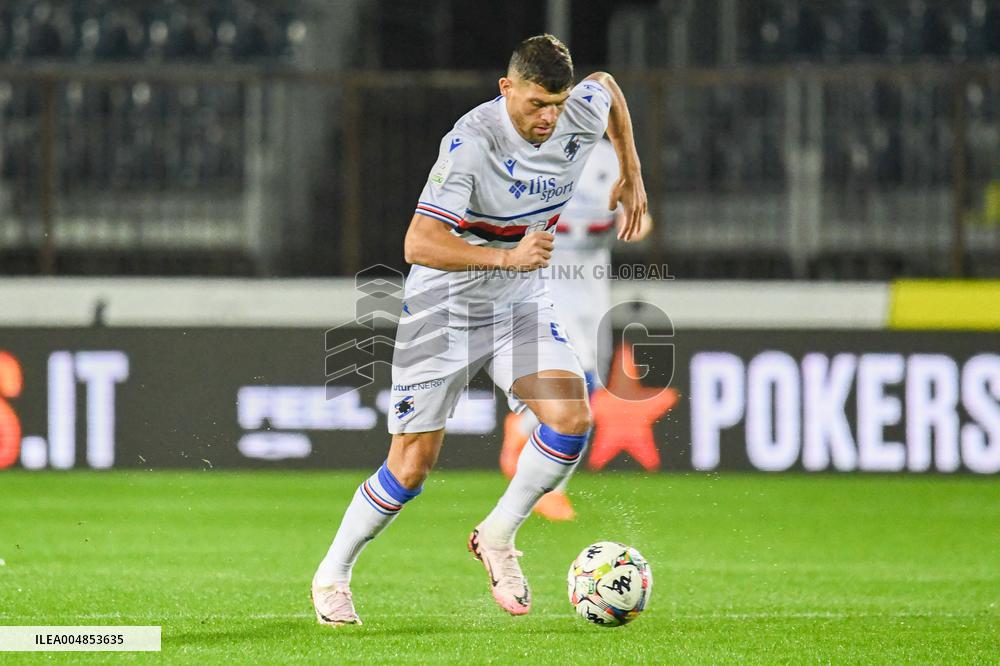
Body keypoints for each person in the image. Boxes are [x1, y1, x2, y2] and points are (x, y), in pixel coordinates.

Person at [311, 34, 647, 626]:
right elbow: (418, 243)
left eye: (558, 103)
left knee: (572, 418)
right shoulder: (471, 144)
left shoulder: (578, 110)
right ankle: (332, 573)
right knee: (410, 468)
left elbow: (608, 89)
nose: (549, 117)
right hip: (445, 303)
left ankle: (497, 535)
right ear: (506, 89)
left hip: (519, 300)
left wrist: (630, 172)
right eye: (536, 103)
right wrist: (505, 258)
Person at [499, 138, 653, 521]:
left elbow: (638, 214)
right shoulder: (536, 156)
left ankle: (523, 427)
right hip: (548, 275)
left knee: (593, 382)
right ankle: (551, 488)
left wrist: (636, 224)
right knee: (576, 379)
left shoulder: (612, 159)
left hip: (592, 278)